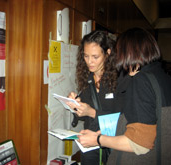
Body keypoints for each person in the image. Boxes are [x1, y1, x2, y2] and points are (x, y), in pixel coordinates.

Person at [77, 28, 171, 163]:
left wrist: (98, 139)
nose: (117, 58)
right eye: (86, 56)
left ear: (128, 53)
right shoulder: (163, 78)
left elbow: (139, 144)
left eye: (119, 52)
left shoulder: (140, 80)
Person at [66, 30, 129, 165]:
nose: (90, 62)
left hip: (113, 144)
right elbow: (84, 116)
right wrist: (76, 104)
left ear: (108, 53)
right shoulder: (87, 78)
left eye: (95, 57)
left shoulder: (121, 79)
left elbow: (123, 119)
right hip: (90, 143)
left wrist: (92, 112)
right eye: (86, 56)